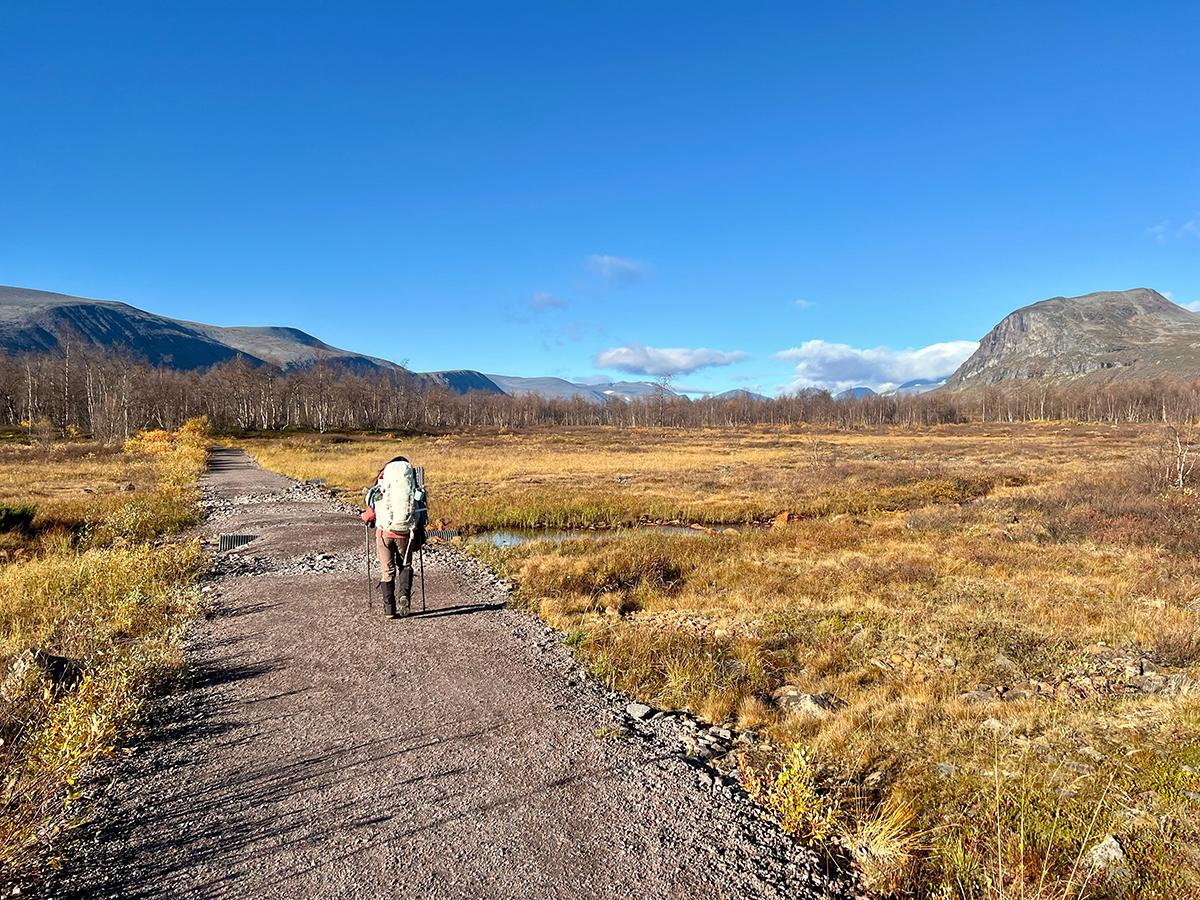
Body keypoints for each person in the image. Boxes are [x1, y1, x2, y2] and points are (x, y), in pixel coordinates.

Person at [361, 455, 425, 618]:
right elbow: (421, 515)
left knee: (387, 571)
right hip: (405, 534)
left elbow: (370, 514)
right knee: (405, 565)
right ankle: (404, 595)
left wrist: (366, 517)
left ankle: (389, 609)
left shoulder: (381, 484)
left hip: (384, 535)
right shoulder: (412, 487)